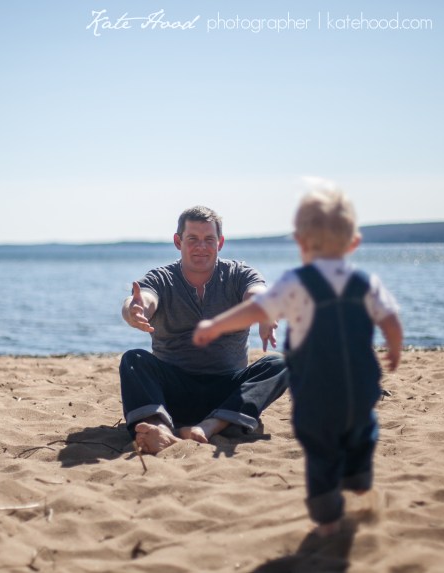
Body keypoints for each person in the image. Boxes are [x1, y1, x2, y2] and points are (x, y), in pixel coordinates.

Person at [193, 184, 403, 536]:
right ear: (354, 243)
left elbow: (257, 309)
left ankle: (328, 519)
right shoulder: (366, 282)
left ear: (300, 242)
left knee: (320, 449)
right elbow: (390, 320)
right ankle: (360, 478)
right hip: (363, 386)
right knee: (362, 430)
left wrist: (216, 324)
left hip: (316, 392)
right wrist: (394, 349)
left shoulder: (297, 283)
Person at [119, 205, 288, 455]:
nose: (201, 247)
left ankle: (207, 427)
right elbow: (143, 298)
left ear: (220, 242)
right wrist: (135, 310)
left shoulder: (238, 274)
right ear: (178, 242)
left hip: (226, 392)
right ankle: (160, 430)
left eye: (209, 239)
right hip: (173, 392)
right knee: (133, 359)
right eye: (193, 239)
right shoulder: (162, 278)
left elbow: (257, 294)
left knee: (278, 364)